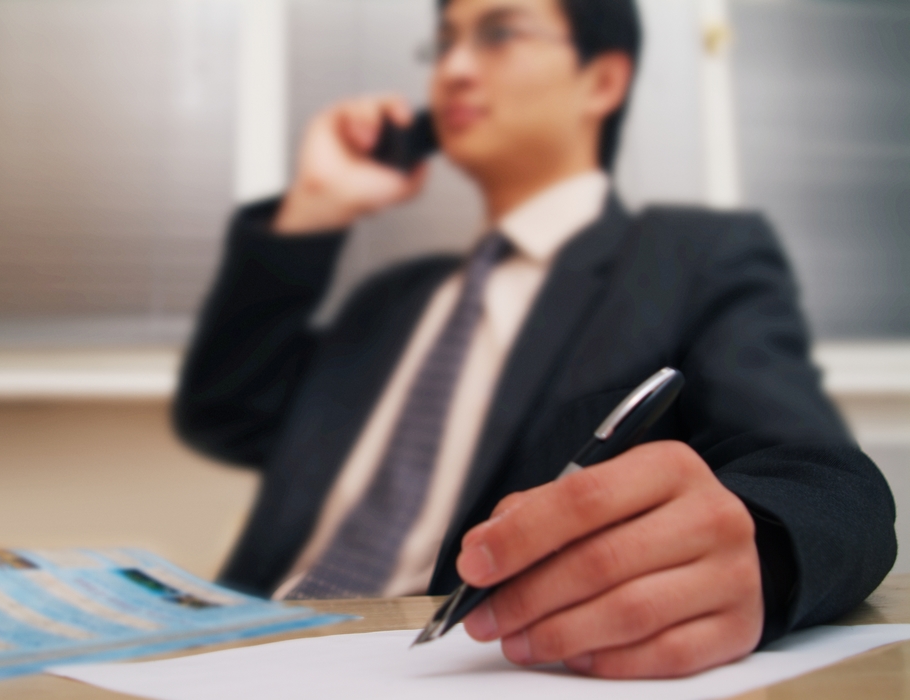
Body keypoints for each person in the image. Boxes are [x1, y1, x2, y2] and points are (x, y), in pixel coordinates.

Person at [174, 0, 896, 679]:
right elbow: (227, 412)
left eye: (497, 34)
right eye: (448, 40)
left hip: (434, 671)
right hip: (227, 651)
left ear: (602, 79)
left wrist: (759, 550)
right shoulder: (391, 302)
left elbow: (829, 480)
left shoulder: (687, 266)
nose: (454, 67)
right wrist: (314, 211)